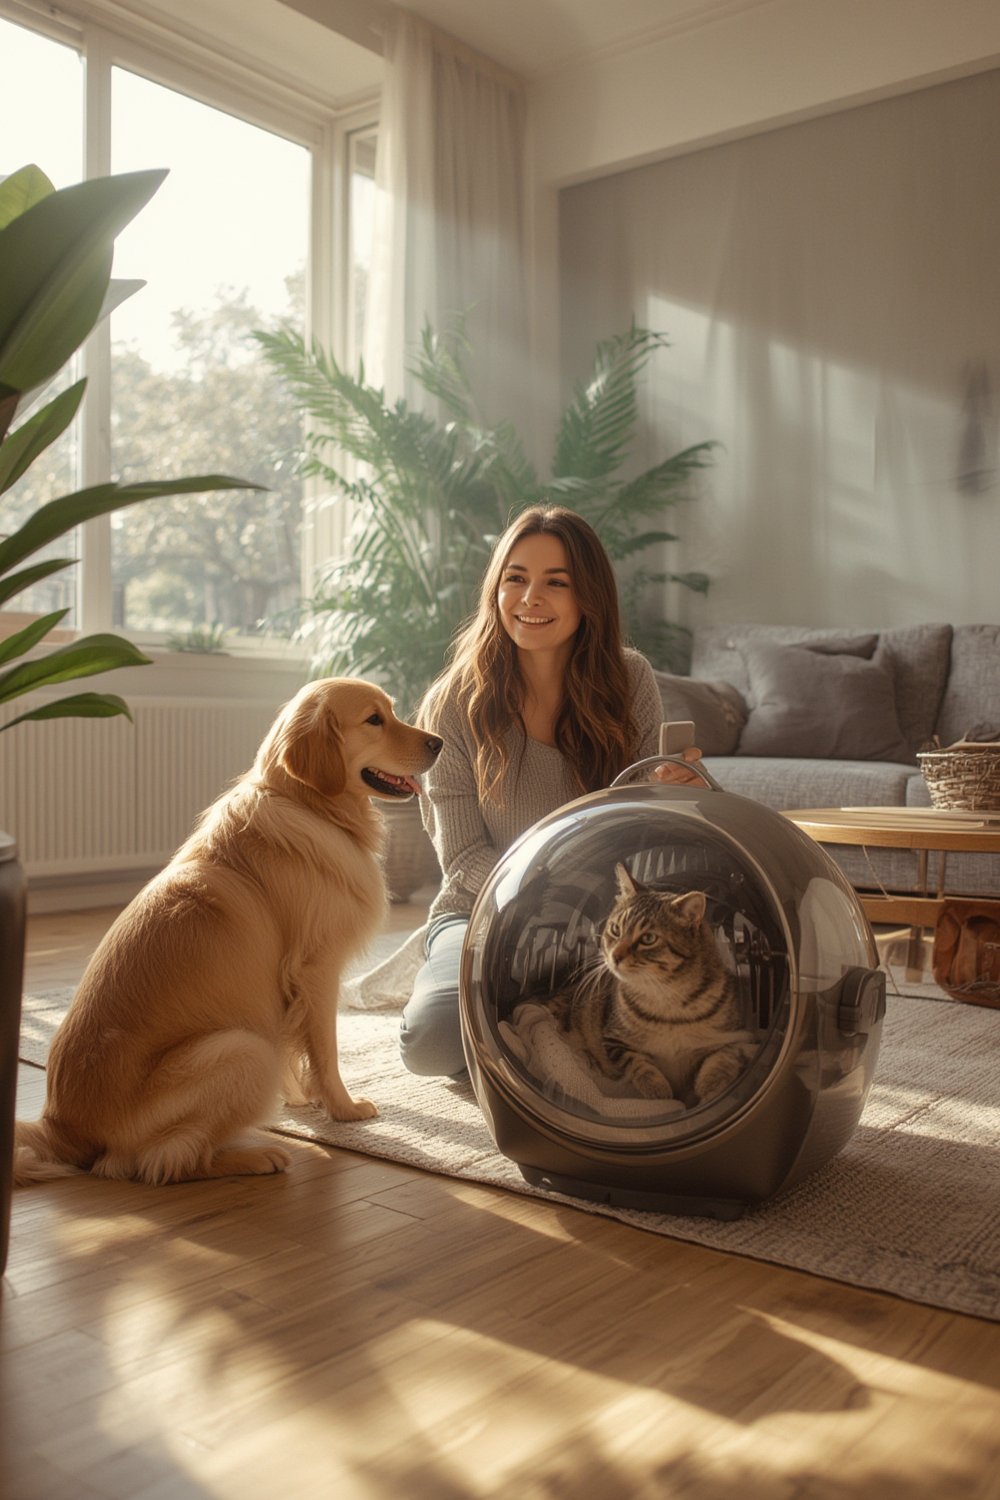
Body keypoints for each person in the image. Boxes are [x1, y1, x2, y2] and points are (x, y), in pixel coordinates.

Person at [397, 504, 704, 1079]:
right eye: (515, 578)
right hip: (481, 911)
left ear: (589, 597)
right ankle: (511, 1006)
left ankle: (528, 1015)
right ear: (496, 588)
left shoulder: (630, 679)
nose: (530, 598)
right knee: (432, 1042)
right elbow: (462, 860)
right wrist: (545, 903)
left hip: (601, 923)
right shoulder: (452, 703)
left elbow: (639, 827)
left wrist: (677, 793)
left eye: (556, 583)